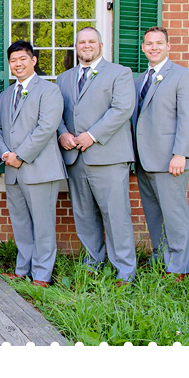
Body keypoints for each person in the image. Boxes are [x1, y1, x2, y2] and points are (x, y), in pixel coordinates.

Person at [57, 27, 137, 284]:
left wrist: (92, 135)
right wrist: (62, 134)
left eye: (91, 41)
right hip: (75, 158)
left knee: (116, 215)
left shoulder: (119, 73)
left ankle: (124, 271)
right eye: (82, 42)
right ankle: (93, 263)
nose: (86, 45)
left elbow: (122, 109)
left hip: (108, 157)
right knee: (84, 214)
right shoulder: (64, 78)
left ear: (101, 45)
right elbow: (56, 111)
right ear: (76, 47)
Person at [0, 40, 66, 288]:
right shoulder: (5, 95)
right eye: (13, 60)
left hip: (40, 169)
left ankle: (42, 275)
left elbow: (46, 128)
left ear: (33, 61)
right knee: (21, 223)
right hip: (12, 170)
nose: (17, 64)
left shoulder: (49, 91)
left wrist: (20, 155)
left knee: (43, 225)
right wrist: (5, 155)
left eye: (22, 59)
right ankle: (23, 269)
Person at [131, 26, 189, 280]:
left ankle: (178, 267)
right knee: (154, 214)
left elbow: (188, 118)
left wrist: (180, 153)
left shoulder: (183, 76)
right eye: (149, 43)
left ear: (168, 46)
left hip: (171, 160)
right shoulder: (140, 80)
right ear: (143, 48)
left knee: (174, 214)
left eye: (159, 43)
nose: (154, 47)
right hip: (144, 160)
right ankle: (161, 258)